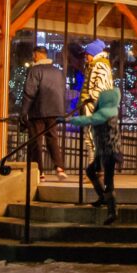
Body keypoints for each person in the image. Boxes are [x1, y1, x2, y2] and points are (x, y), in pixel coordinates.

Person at [68, 86, 122, 222]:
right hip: (104, 151)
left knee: (108, 181)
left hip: (107, 152)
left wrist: (67, 120)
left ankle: (112, 210)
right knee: (91, 171)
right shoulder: (111, 111)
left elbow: (87, 120)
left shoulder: (104, 114)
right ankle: (103, 198)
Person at [19, 47, 68, 180]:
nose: (33, 58)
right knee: (52, 139)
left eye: (34, 55)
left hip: (38, 111)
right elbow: (63, 90)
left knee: (36, 142)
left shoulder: (34, 70)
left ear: (37, 55)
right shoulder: (58, 72)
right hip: (55, 110)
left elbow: (29, 92)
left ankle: (39, 172)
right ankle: (59, 167)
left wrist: (24, 112)